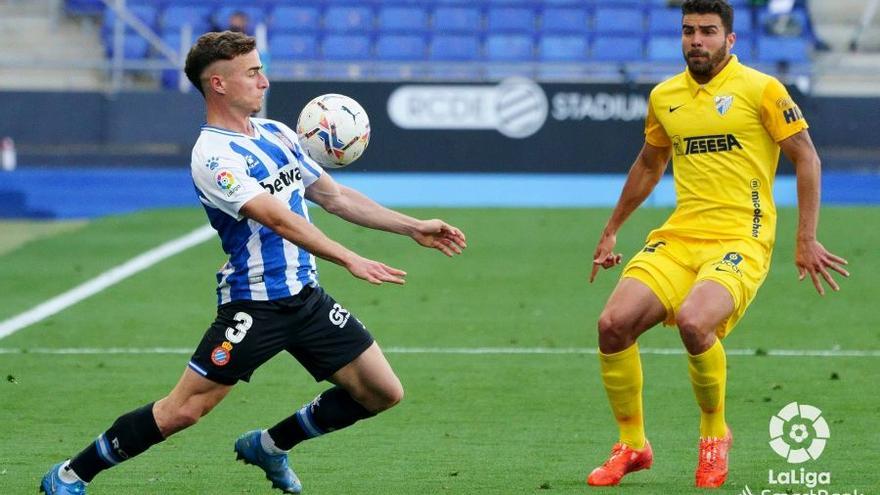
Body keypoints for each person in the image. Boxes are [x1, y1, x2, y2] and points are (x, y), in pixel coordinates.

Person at [40, 31, 467, 495]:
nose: (264, 81)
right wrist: (349, 257)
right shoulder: (214, 157)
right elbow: (278, 220)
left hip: (306, 299)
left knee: (382, 392)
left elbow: (335, 196)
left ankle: (269, 445)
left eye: (261, 69)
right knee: (181, 411)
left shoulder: (277, 133)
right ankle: (70, 475)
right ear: (218, 84)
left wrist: (411, 227)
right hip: (253, 306)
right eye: (253, 72)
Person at [585, 0, 848, 489]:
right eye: (689, 31)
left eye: (708, 31)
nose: (696, 40)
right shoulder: (665, 96)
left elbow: (806, 158)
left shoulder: (762, 90)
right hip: (682, 234)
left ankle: (713, 435)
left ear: (730, 40)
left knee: (694, 322)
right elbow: (649, 164)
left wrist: (805, 238)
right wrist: (612, 227)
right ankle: (633, 445)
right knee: (612, 325)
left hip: (741, 237)